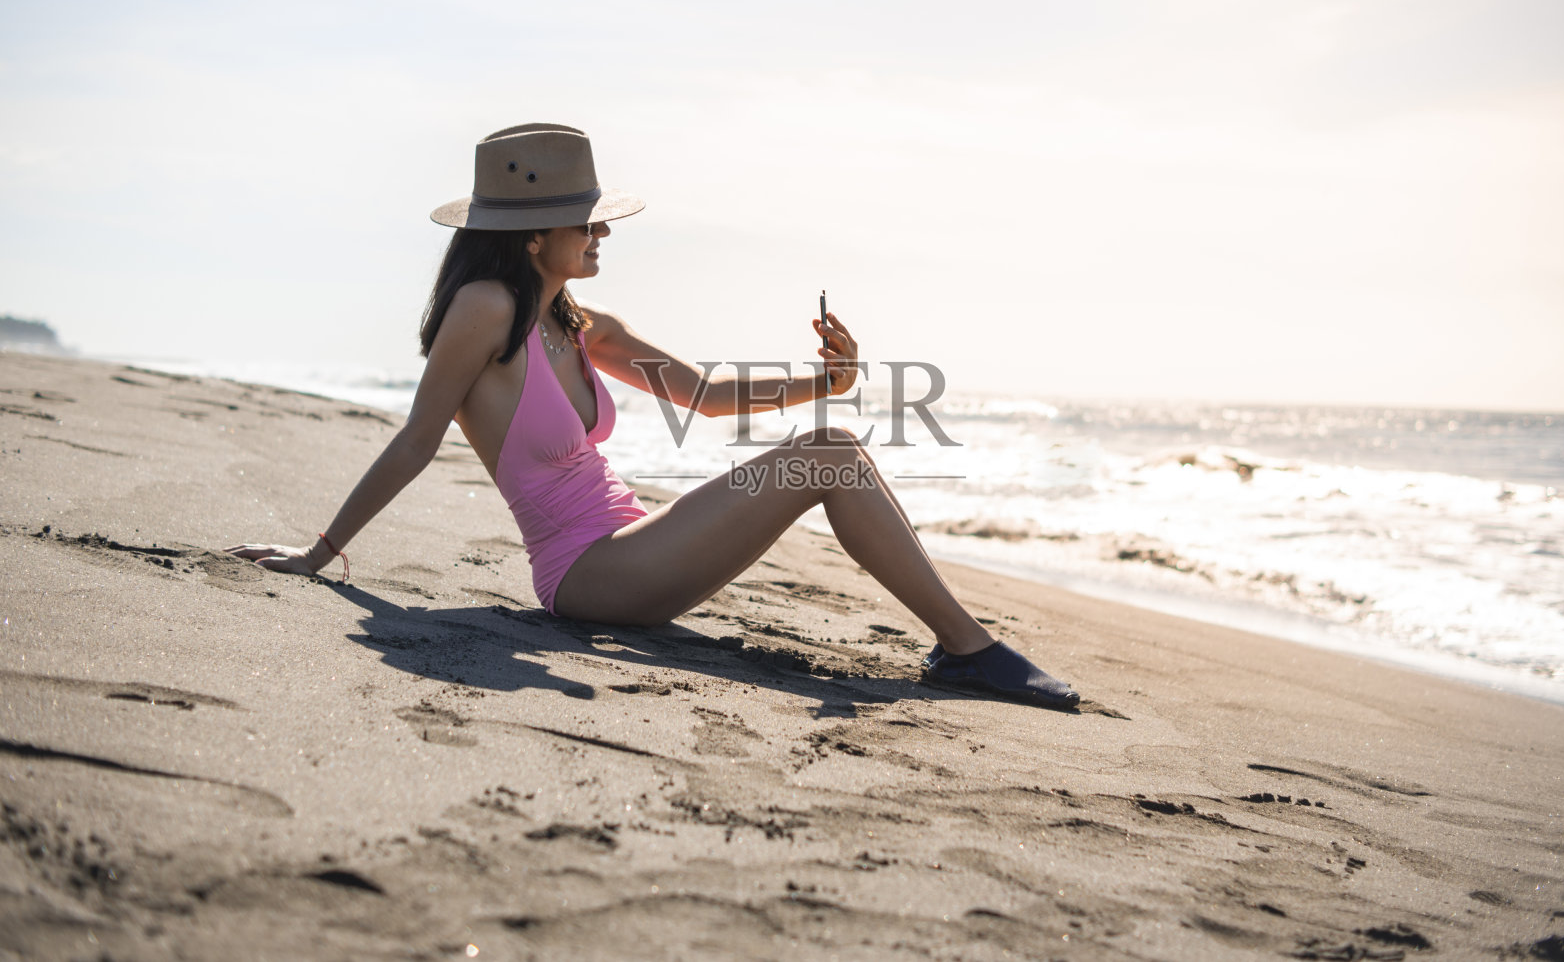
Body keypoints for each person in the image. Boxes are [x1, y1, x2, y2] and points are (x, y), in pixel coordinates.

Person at [227, 123, 1079, 710]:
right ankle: (968, 650)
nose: (604, 232)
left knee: (834, 445)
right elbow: (417, 437)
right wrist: (319, 554)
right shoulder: (486, 308)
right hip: (585, 576)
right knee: (830, 455)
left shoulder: (576, 320)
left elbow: (704, 394)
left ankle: (963, 647)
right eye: (587, 220)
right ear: (532, 235)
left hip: (632, 541)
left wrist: (825, 379)